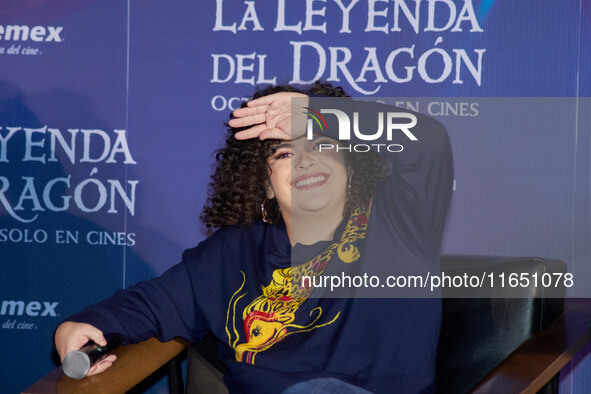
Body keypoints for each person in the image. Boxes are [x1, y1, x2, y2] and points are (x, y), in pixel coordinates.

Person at [54, 82, 453, 393]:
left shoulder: (400, 220)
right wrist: (83, 325)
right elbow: (149, 306)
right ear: (263, 184)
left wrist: (318, 112)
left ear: (351, 162)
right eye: (283, 154)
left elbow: (428, 140)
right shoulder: (231, 253)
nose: (305, 160)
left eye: (322, 144)